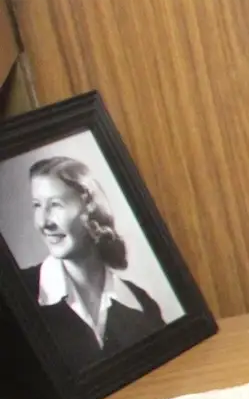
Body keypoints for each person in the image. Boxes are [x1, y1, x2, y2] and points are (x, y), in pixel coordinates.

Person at [19, 155, 165, 369]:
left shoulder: (142, 305)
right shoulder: (19, 294)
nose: (43, 222)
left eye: (56, 205)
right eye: (37, 205)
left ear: (91, 210)